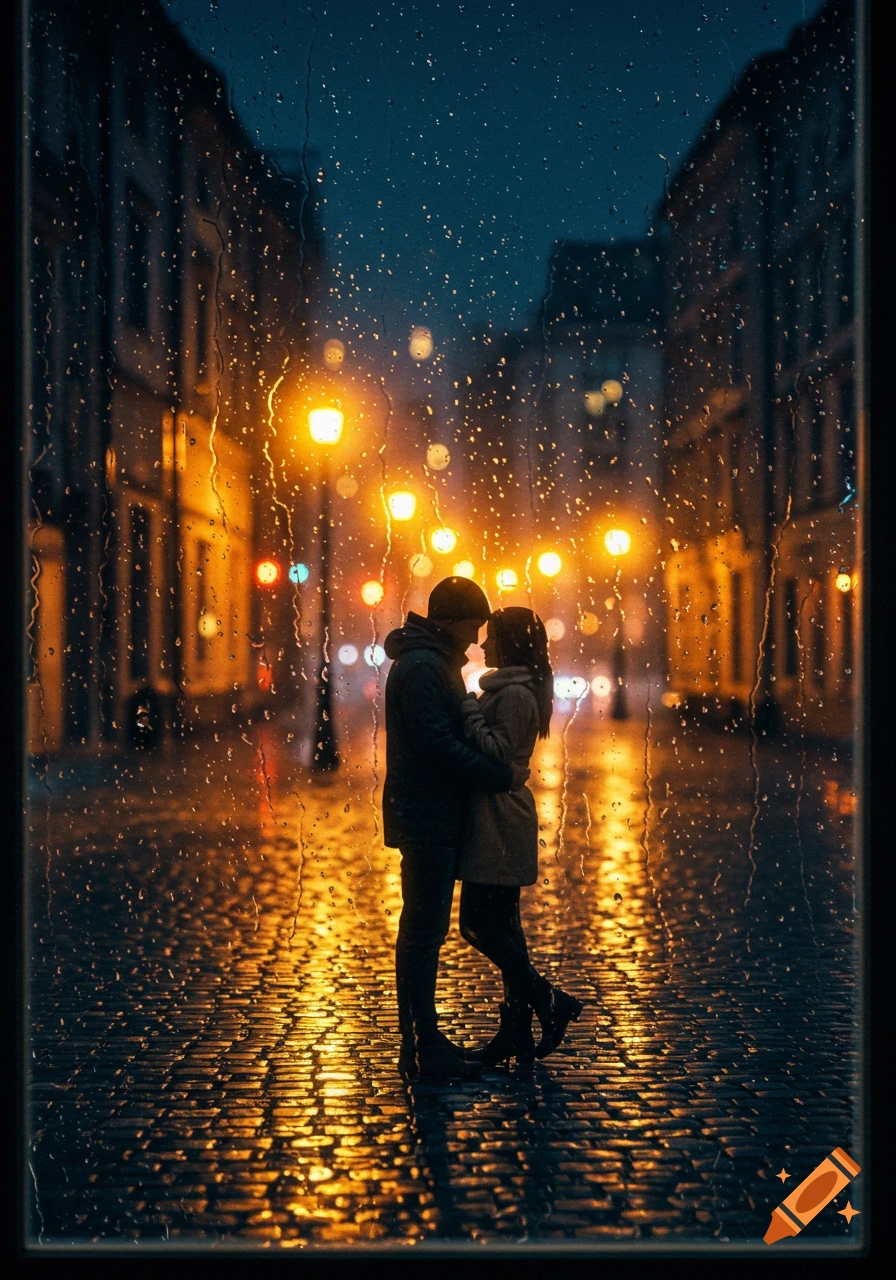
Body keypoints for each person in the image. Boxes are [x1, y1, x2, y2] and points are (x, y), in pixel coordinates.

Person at [383, 577, 529, 1080]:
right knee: (423, 932)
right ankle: (423, 1045)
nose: (475, 639)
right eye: (471, 626)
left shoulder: (430, 662)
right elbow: (437, 747)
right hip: (428, 816)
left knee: (425, 930)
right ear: (449, 622)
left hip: (433, 812)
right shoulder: (425, 667)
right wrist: (499, 775)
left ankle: (425, 1039)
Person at [458, 606, 584, 1066]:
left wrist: (468, 710)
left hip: (501, 819)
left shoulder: (512, 695)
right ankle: (516, 1031)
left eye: (492, 637)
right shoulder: (511, 689)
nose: (483, 644)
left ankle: (548, 999)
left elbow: (498, 751)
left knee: (477, 923)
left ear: (510, 643)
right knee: (506, 927)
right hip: (497, 815)